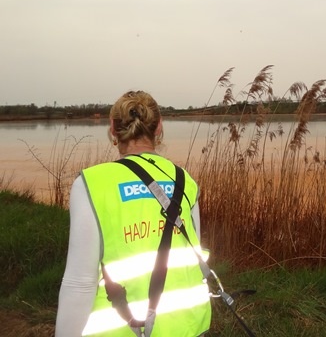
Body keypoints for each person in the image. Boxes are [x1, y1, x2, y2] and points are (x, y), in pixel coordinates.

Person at [55, 90, 212, 337]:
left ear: (113, 128)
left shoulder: (92, 184)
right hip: (189, 327)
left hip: (123, 330)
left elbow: (79, 283)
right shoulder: (184, 180)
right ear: (159, 127)